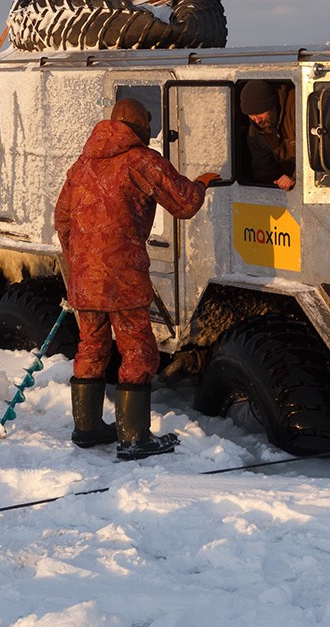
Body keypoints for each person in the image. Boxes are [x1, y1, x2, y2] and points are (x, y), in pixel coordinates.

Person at [53, 99, 218, 459]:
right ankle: (134, 437)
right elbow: (185, 203)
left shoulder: (81, 166)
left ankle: (87, 428)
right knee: (138, 352)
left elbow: (61, 220)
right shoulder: (140, 160)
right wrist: (203, 183)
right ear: (138, 127)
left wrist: (81, 261)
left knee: (92, 347)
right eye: (148, 124)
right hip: (123, 279)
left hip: (85, 278)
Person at [239, 79, 296, 190]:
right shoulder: (255, 133)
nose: (257, 120)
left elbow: (316, 152)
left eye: (260, 113)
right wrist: (278, 183)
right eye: (251, 115)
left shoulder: (296, 107)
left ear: (272, 105)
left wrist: (297, 179)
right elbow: (264, 171)